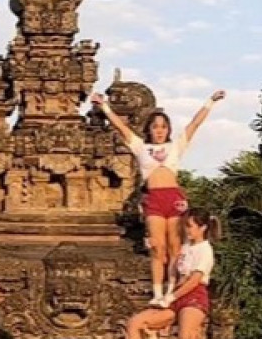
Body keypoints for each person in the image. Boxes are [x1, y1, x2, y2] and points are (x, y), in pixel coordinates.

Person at [90, 90, 224, 306]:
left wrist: (210, 102)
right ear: (149, 130)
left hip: (173, 197)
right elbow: (121, 128)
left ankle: (171, 291)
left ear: (168, 129)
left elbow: (194, 125)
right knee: (157, 247)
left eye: (163, 127)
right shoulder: (141, 147)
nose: (159, 131)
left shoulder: (174, 146)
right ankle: (157, 292)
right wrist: (104, 106)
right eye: (155, 127)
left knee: (175, 247)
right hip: (154, 199)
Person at [121, 209, 219, 339]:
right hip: (175, 295)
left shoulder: (205, 250)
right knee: (136, 322)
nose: (187, 230)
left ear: (202, 227)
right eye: (185, 226)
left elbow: (194, 280)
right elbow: (174, 271)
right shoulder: (185, 247)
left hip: (193, 297)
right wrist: (166, 293)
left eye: (190, 226)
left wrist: (171, 297)